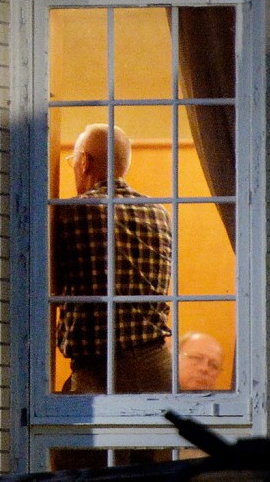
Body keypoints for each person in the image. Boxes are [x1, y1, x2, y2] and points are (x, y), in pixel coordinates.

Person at [53, 123, 173, 394]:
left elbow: (52, 282)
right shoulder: (160, 214)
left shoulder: (74, 212)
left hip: (99, 371)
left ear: (84, 162)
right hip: (156, 364)